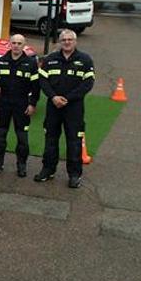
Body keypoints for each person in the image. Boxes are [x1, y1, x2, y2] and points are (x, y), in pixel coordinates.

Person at [36, 29, 95, 188]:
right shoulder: (50, 59)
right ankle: (48, 170)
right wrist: (53, 97)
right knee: (50, 140)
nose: (67, 42)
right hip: (53, 106)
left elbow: (87, 84)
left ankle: (74, 175)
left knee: (74, 142)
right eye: (64, 40)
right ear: (60, 42)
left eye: (70, 39)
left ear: (75, 41)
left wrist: (68, 99)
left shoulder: (85, 60)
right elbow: (43, 80)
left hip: (74, 109)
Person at [0, 34, 40, 177]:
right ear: (10, 44)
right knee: (0, 136)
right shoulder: (1, 62)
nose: (16, 45)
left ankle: (21, 165)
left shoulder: (30, 64)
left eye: (19, 43)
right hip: (3, 104)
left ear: (24, 45)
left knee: (22, 139)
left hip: (22, 105)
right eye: (14, 43)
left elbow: (36, 87)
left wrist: (32, 104)